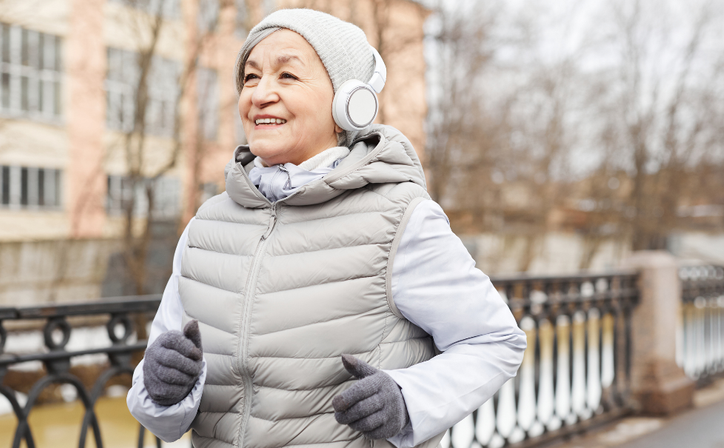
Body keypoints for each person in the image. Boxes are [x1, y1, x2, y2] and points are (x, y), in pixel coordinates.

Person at [127, 8, 526, 448]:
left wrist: (407, 400)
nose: (260, 94)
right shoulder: (206, 227)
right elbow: (161, 417)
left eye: (287, 77)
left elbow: (494, 341)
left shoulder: (399, 219)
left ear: (347, 105)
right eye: (251, 77)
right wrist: (161, 390)